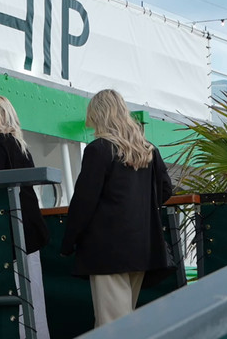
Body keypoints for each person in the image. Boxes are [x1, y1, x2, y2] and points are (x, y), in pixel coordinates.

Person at [60, 89, 173, 328]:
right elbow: (165, 190)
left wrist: (68, 241)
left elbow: (84, 201)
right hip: (142, 246)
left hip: (106, 249)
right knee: (124, 321)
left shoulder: (99, 149)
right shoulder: (148, 150)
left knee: (111, 325)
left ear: (98, 115)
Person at [0, 95, 50, 339]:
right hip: (31, 232)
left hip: (11, 235)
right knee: (34, 302)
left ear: (0, 115)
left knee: (15, 303)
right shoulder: (19, 144)